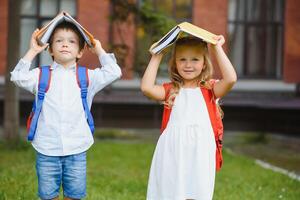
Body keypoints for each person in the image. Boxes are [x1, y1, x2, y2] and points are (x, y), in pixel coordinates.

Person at [10, 21, 122, 200]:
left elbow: (114, 72)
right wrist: (32, 50)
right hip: (46, 149)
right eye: (59, 41)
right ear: (50, 50)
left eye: (71, 41)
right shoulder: (40, 75)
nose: (64, 44)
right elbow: (17, 77)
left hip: (77, 148)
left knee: (74, 196)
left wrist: (98, 49)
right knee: (48, 196)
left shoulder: (87, 77)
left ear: (80, 51)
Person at [141, 35, 237, 200]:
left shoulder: (210, 90)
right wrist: (157, 56)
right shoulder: (171, 90)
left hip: (200, 151)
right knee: (171, 193)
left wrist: (217, 48)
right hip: (172, 150)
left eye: (195, 59)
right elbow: (147, 88)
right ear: (175, 63)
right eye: (182, 59)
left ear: (204, 63)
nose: (188, 65)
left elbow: (231, 79)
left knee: (197, 192)